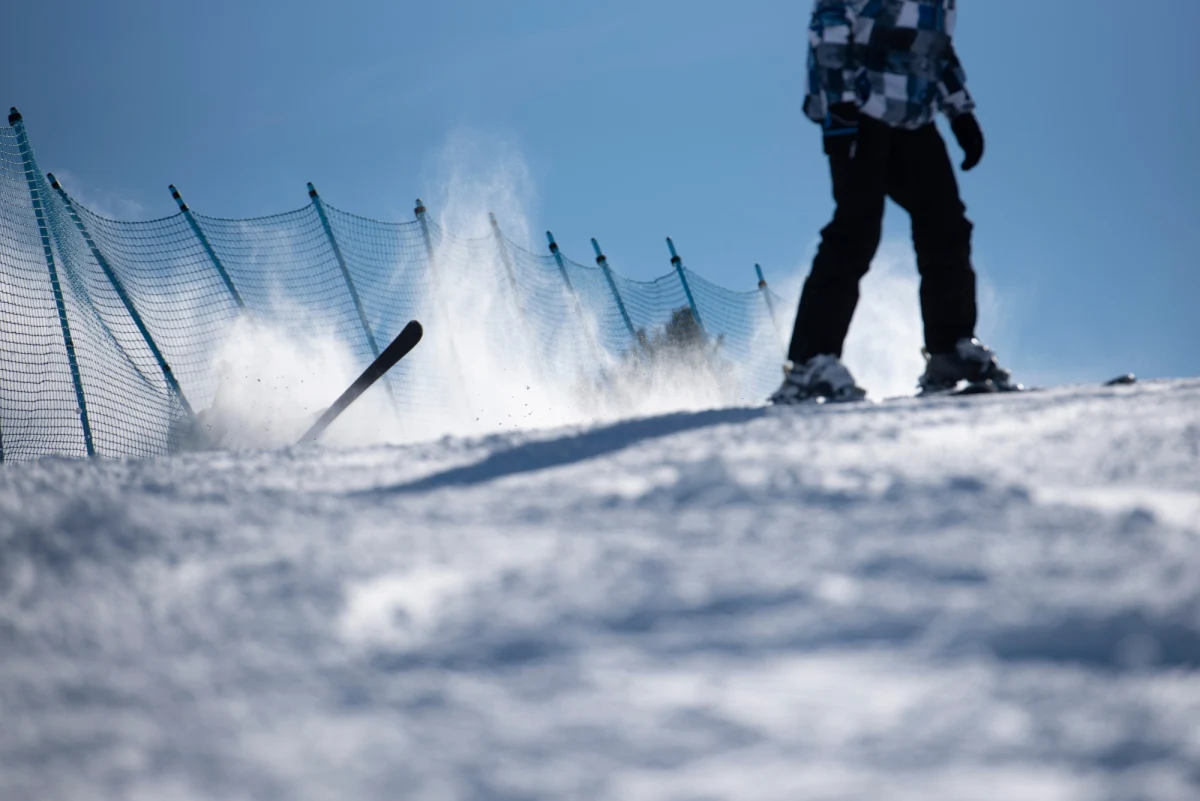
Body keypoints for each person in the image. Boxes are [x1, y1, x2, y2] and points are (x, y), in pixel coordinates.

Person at [771, 0, 1016, 404]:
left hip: (912, 117)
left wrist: (961, 114)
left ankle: (949, 351)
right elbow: (830, 22)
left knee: (946, 226)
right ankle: (810, 362)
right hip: (859, 109)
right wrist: (840, 106)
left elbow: (935, 49)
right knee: (857, 228)